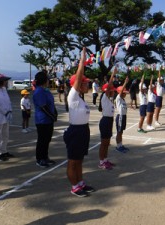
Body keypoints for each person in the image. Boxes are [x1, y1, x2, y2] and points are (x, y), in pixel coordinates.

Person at [63, 47, 95, 197]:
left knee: (80, 160)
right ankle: (74, 186)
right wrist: (82, 60)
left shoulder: (80, 99)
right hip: (75, 132)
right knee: (73, 161)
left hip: (83, 131)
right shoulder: (73, 96)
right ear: (78, 84)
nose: (87, 85)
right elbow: (79, 74)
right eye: (85, 82)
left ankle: (80, 182)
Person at [33, 71, 58, 168]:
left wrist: (55, 112)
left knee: (47, 139)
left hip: (49, 120)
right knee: (42, 140)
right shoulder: (39, 91)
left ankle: (45, 157)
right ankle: (39, 159)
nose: (48, 80)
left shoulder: (46, 90)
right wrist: (52, 115)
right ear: (44, 80)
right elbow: (43, 107)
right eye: (47, 79)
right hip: (42, 120)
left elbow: (51, 103)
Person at [98, 67, 117, 170]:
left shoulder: (109, 100)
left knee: (107, 143)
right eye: (112, 90)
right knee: (104, 143)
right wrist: (112, 74)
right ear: (108, 91)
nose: (113, 91)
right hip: (105, 121)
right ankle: (101, 162)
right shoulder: (104, 98)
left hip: (109, 121)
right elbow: (108, 86)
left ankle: (105, 160)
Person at [0, 74, 14, 161]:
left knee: (5, 135)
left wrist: (10, 111)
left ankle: (4, 150)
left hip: (6, 117)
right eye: (4, 80)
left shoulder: (4, 89)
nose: (6, 82)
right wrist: (5, 112)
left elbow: (8, 101)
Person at [115, 77, 129, 153]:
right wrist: (125, 82)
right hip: (120, 116)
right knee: (119, 132)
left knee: (121, 132)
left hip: (123, 116)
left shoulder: (123, 100)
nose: (125, 94)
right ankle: (118, 146)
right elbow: (120, 93)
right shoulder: (118, 98)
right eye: (124, 93)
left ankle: (120, 144)